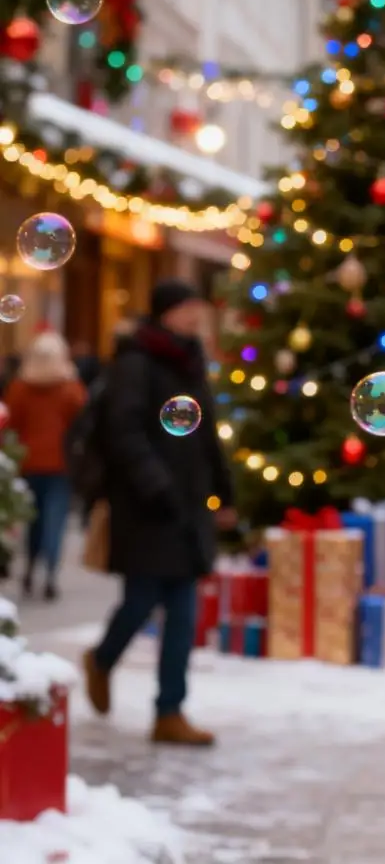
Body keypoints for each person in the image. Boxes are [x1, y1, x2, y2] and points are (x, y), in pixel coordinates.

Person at [83, 280, 236, 746]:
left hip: (187, 506)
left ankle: (169, 711)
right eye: (188, 308)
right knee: (140, 601)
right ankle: (102, 659)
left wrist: (224, 494)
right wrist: (157, 487)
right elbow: (123, 432)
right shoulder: (136, 362)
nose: (196, 317)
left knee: (184, 613)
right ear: (166, 313)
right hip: (146, 507)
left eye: (198, 309)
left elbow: (207, 436)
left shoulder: (190, 362)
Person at [4, 331, 87, 600]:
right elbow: (83, 421)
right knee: (55, 522)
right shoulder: (69, 388)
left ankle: (30, 567)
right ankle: (50, 573)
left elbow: (10, 425)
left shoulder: (19, 387)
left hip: (28, 463)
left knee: (34, 521)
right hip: (59, 464)